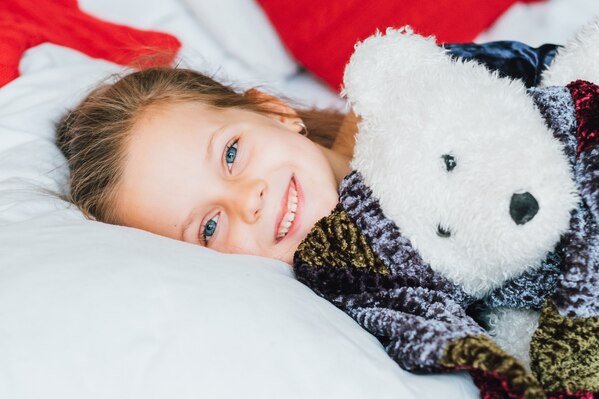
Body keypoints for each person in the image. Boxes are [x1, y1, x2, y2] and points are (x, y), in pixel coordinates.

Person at [56, 41, 559, 264]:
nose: (246, 200)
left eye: (232, 155)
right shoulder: (360, 299)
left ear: (275, 112)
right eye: (209, 227)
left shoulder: (421, 93)